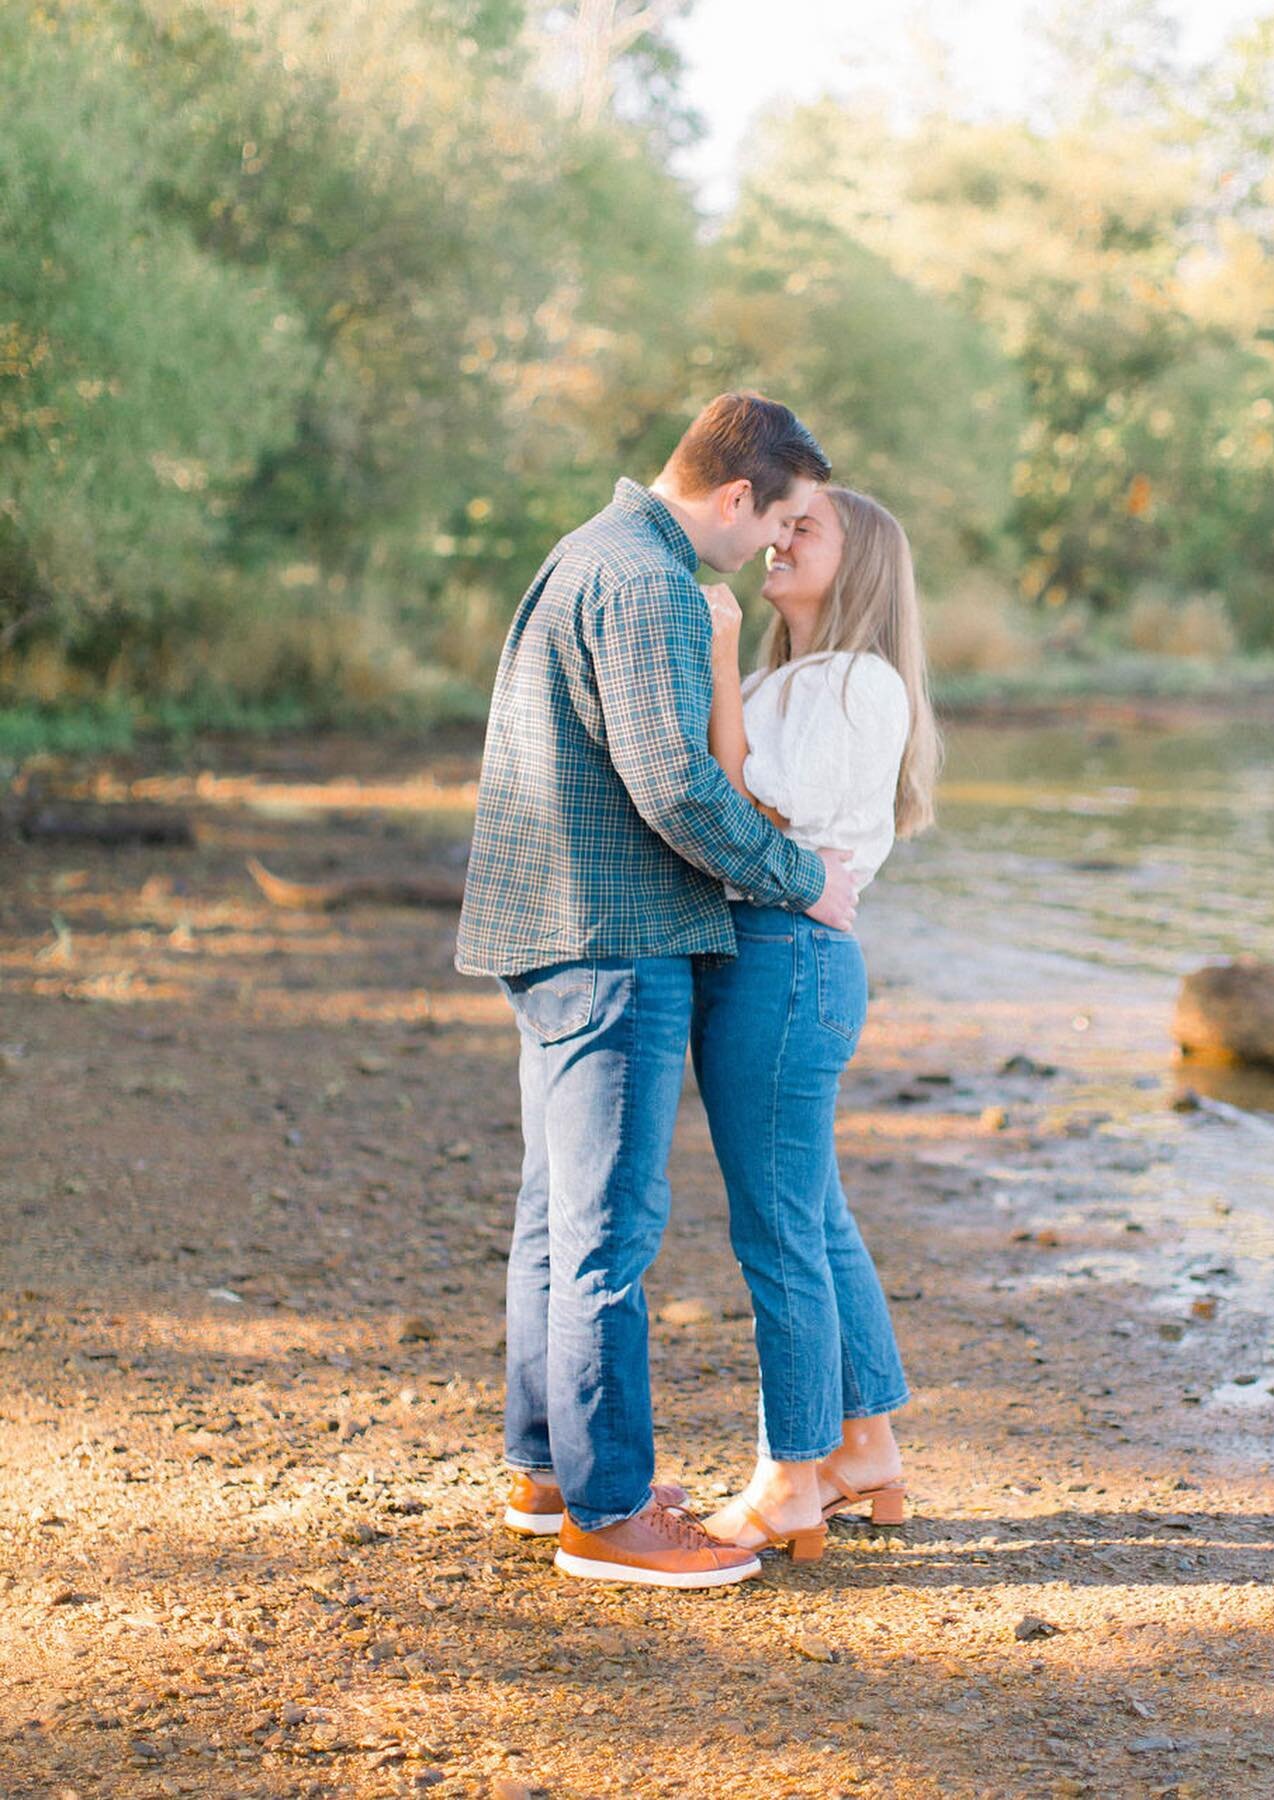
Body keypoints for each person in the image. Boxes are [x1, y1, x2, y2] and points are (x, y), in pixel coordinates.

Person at [454, 393, 861, 1589]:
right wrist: (802, 879)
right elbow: (675, 786)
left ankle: (553, 1475)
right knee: (608, 1232)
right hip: (613, 935)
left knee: (556, 1214)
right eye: (778, 523)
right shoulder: (646, 581)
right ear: (736, 496)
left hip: (564, 928)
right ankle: (612, 1514)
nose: (775, 548)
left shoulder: (594, 551)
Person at [692, 484, 941, 1562]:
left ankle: (792, 1477)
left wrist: (718, 644)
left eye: (809, 529)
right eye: (780, 524)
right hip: (774, 960)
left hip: (788, 966)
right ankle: (865, 1445)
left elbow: (756, 796)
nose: (782, 539)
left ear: (863, 564)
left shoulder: (856, 681)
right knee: (814, 1215)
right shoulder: (787, 679)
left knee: (778, 1228)